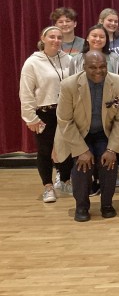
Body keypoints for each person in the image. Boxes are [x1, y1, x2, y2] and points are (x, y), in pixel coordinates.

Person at [55, 51, 119, 221]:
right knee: (82, 166)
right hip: (79, 133)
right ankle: (81, 206)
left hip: (104, 133)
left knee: (109, 164)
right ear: (84, 67)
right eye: (93, 67)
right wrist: (81, 150)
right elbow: (65, 121)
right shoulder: (69, 85)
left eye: (102, 66)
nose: (98, 70)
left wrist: (112, 149)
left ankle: (107, 204)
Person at [19, 26, 73, 203]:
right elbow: (26, 92)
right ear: (43, 38)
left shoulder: (68, 60)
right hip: (45, 113)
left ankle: (65, 180)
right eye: (52, 37)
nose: (56, 40)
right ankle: (48, 187)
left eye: (59, 37)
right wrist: (30, 118)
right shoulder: (32, 62)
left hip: (65, 111)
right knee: (44, 150)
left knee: (66, 149)